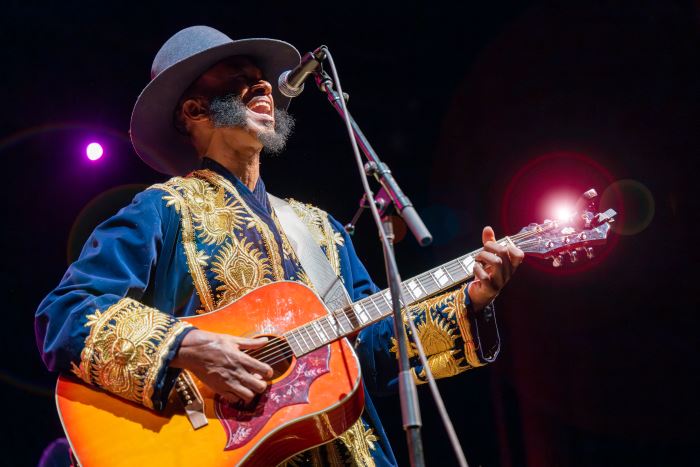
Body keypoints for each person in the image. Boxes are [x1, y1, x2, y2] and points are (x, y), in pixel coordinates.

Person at [35, 26, 524, 466]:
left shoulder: (320, 229)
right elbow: (67, 312)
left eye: (262, 77)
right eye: (237, 77)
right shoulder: (162, 210)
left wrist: (471, 301)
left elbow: (372, 348)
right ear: (194, 110)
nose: (264, 84)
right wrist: (189, 346)